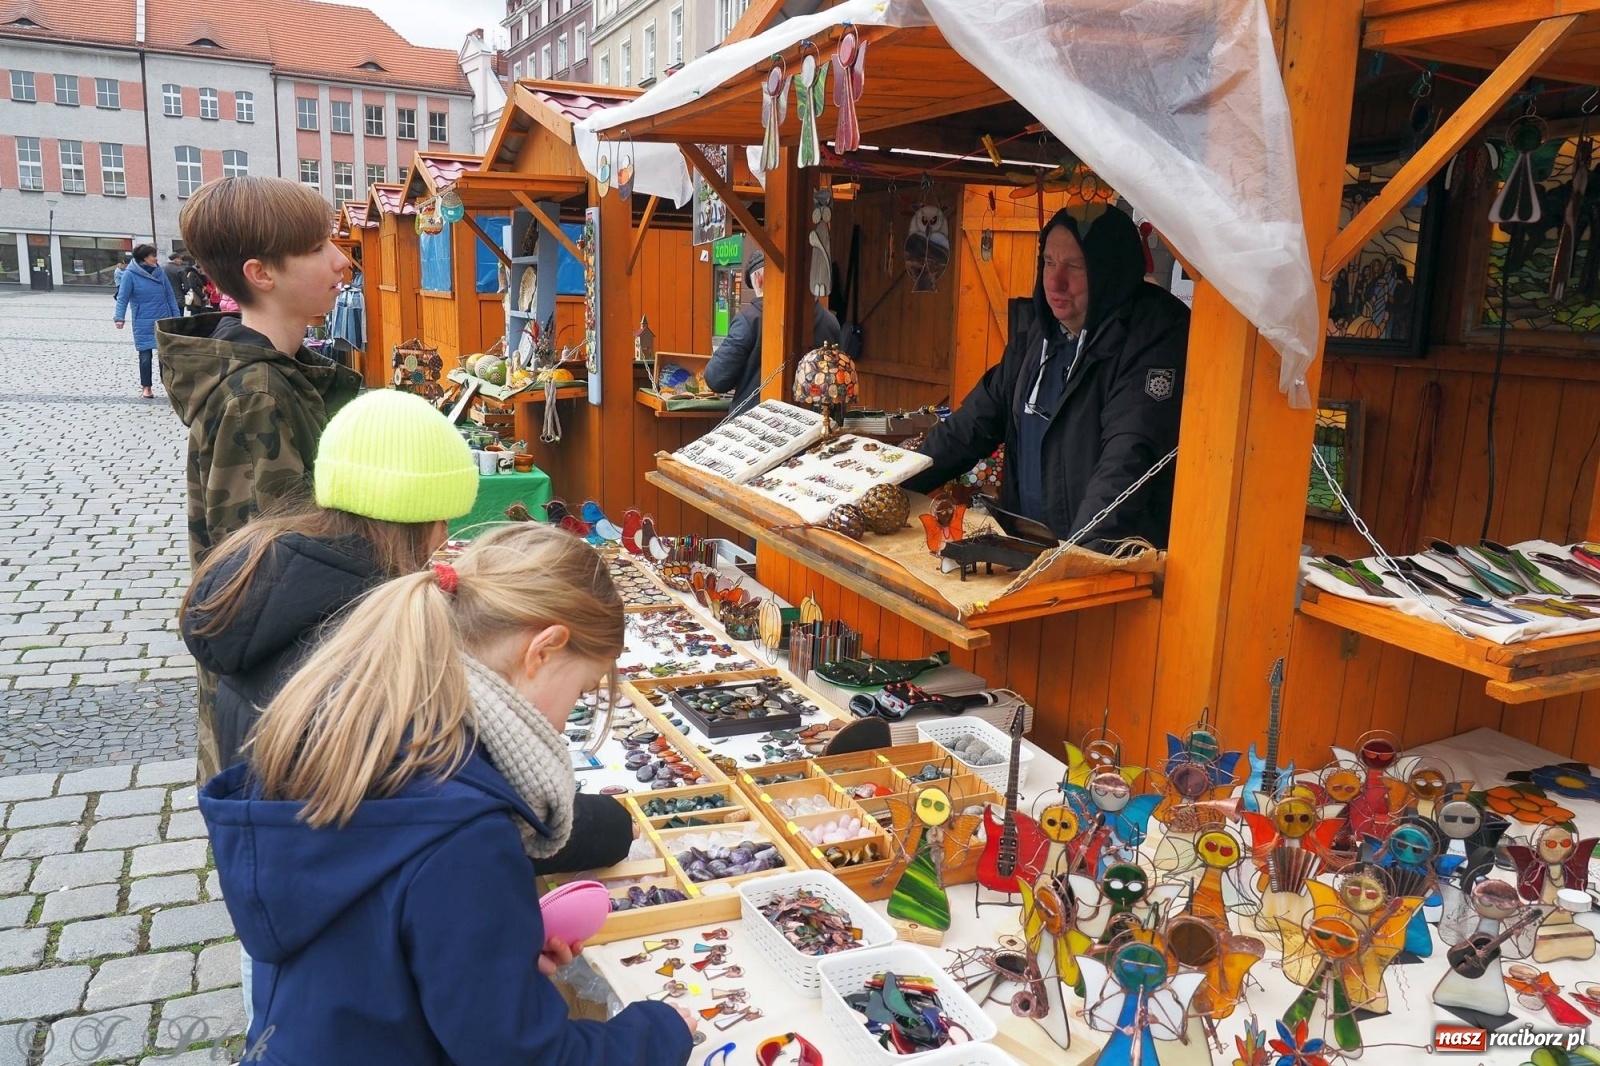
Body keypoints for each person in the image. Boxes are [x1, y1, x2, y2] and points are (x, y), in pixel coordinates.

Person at [198, 523, 699, 1066]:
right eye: (579, 692)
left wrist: (493, 953)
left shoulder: (370, 730)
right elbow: (527, 1059)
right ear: (544, 650)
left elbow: (375, 936)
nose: (560, 725)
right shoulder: (464, 830)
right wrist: (660, 1031)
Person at [179, 388, 636, 870]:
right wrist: (606, 826)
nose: (444, 536)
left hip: (280, 872)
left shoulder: (274, 581)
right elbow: (445, 818)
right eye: (443, 518)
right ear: (427, 520)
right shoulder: (362, 639)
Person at [903, 207, 1189, 549]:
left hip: (1106, 567)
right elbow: (971, 426)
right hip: (1031, 550)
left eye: (1074, 266)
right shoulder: (1041, 333)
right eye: (1049, 263)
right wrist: (896, 484)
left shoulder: (1154, 336)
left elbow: (1127, 460)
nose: (1055, 281)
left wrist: (1073, 559)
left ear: (1109, 271)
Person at [159, 176, 363, 570]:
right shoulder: (256, 394)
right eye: (318, 248)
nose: (341, 260)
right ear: (262, 274)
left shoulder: (281, 373)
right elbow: (267, 572)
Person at [703, 250, 841, 417]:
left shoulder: (748, 320)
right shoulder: (830, 321)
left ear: (760, 280)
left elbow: (716, 379)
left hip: (756, 426)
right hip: (814, 422)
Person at [114, 244, 182, 400]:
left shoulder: (160, 272)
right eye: (153, 255)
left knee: (164, 356)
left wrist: (176, 317)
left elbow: (170, 296)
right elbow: (122, 297)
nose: (156, 258)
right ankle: (147, 387)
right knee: (145, 356)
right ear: (144, 258)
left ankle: (168, 386)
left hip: (162, 319)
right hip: (143, 320)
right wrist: (119, 317)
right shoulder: (130, 274)